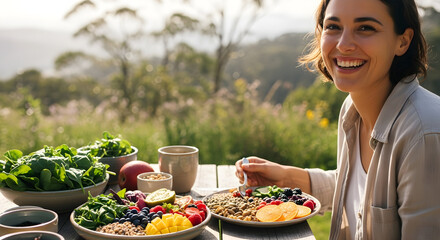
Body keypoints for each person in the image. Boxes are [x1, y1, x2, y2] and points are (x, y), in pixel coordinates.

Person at [235, 0, 440, 239]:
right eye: (333, 27)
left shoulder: (424, 133)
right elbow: (360, 192)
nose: (344, 45)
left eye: (365, 28)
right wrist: (286, 176)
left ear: (402, 41)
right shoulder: (351, 110)